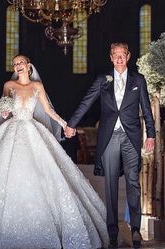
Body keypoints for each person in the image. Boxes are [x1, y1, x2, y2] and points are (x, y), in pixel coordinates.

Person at [0, 55, 109, 249]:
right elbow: (3, 108)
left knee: (43, 172)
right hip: (12, 129)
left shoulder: (37, 87)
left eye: (21, 62)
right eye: (15, 64)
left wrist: (66, 125)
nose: (18, 65)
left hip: (32, 129)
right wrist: (5, 112)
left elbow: (49, 111)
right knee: (0, 173)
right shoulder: (9, 85)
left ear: (28, 65)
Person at [65, 43, 155, 248]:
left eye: (123, 55)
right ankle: (112, 232)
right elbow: (86, 102)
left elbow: (147, 109)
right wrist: (71, 124)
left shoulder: (138, 80)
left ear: (129, 56)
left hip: (131, 136)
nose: (119, 59)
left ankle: (135, 230)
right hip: (110, 137)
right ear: (111, 58)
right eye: (116, 55)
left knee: (133, 182)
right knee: (111, 184)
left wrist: (150, 134)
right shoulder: (102, 80)